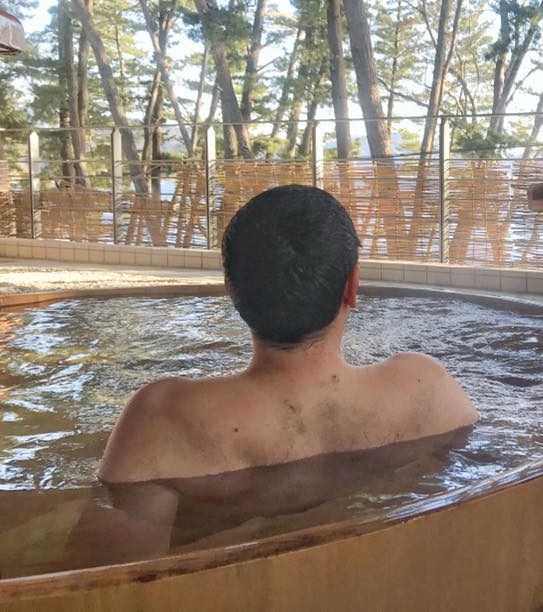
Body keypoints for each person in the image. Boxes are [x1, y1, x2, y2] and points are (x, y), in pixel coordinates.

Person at [98, 185, 478, 485]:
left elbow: (117, 557)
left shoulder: (162, 419)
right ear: (352, 286)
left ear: (231, 290)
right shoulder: (425, 387)